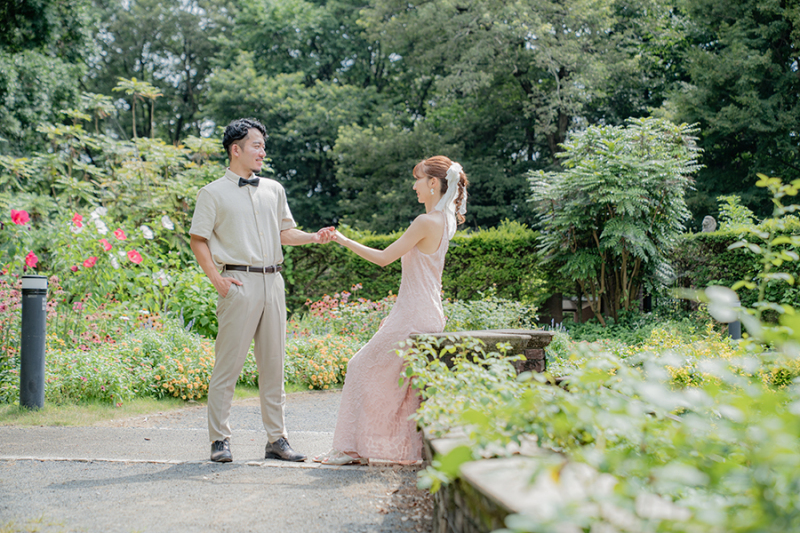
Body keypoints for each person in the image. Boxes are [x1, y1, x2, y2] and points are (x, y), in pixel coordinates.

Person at [189, 118, 334, 463]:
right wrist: (217, 280)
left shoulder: (274, 189)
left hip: (274, 283)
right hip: (238, 283)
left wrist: (314, 236)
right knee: (228, 366)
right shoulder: (212, 193)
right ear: (235, 149)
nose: (262, 151)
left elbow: (285, 232)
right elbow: (198, 240)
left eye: (263, 146)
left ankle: (277, 439)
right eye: (256, 145)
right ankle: (219, 440)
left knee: (274, 364)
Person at [315, 155, 468, 465]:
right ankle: (382, 450)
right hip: (427, 313)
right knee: (403, 385)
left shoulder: (426, 222)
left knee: (359, 366)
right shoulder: (445, 221)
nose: (414, 186)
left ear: (433, 183)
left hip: (413, 314)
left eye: (418, 179)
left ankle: (347, 449)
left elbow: (383, 257)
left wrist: (343, 239)